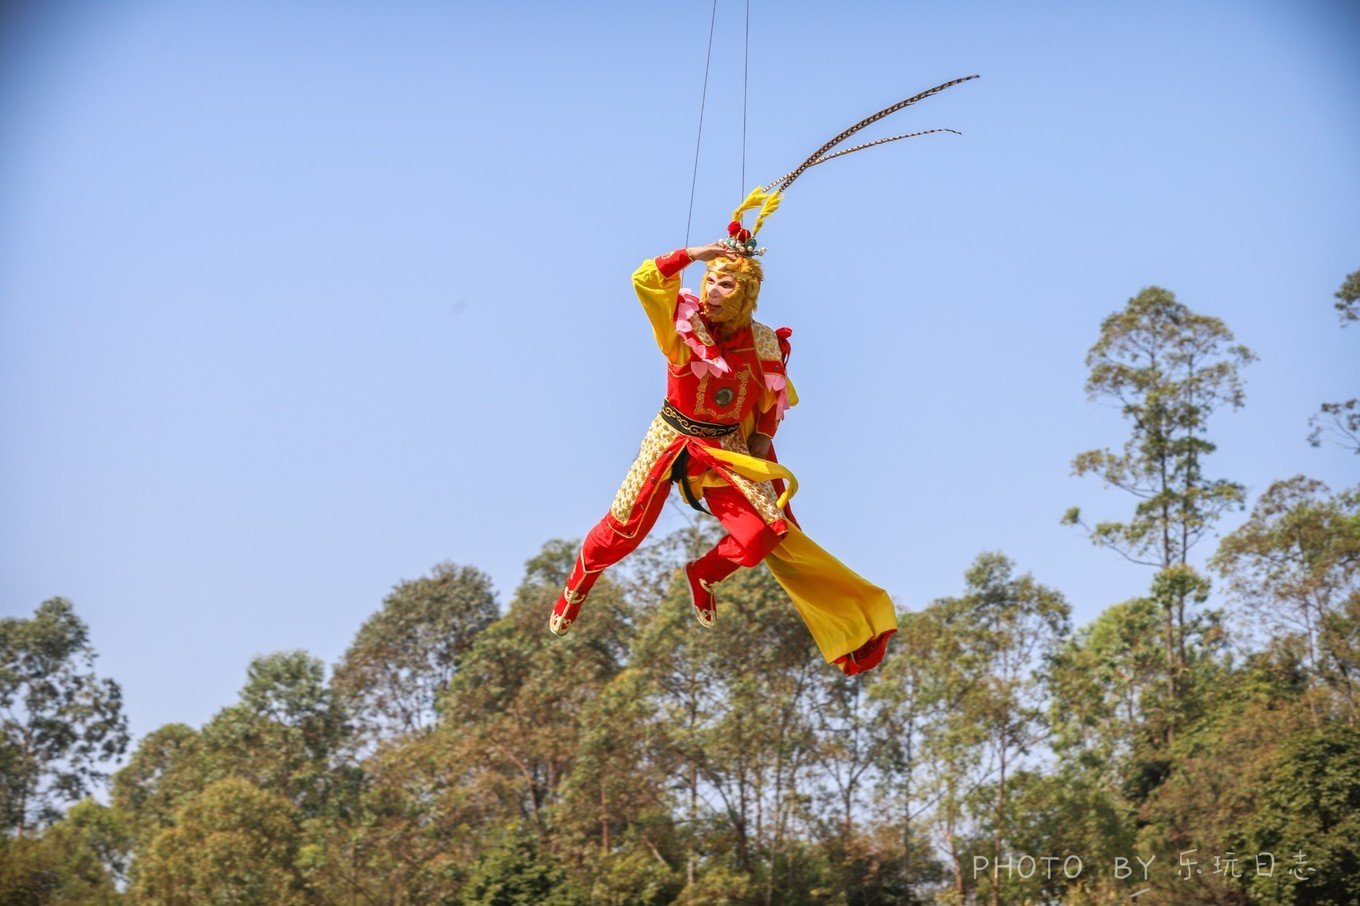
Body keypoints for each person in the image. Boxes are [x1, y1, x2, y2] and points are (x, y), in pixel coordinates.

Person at [550, 215, 898, 676]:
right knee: (623, 532)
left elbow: (772, 400)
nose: (713, 289)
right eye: (710, 280)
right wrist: (695, 254)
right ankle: (578, 585)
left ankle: (704, 574)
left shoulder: (764, 342)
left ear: (746, 293)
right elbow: (646, 278)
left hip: (724, 446)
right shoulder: (682, 324)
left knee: (761, 535)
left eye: (726, 283)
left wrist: (762, 439)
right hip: (672, 435)